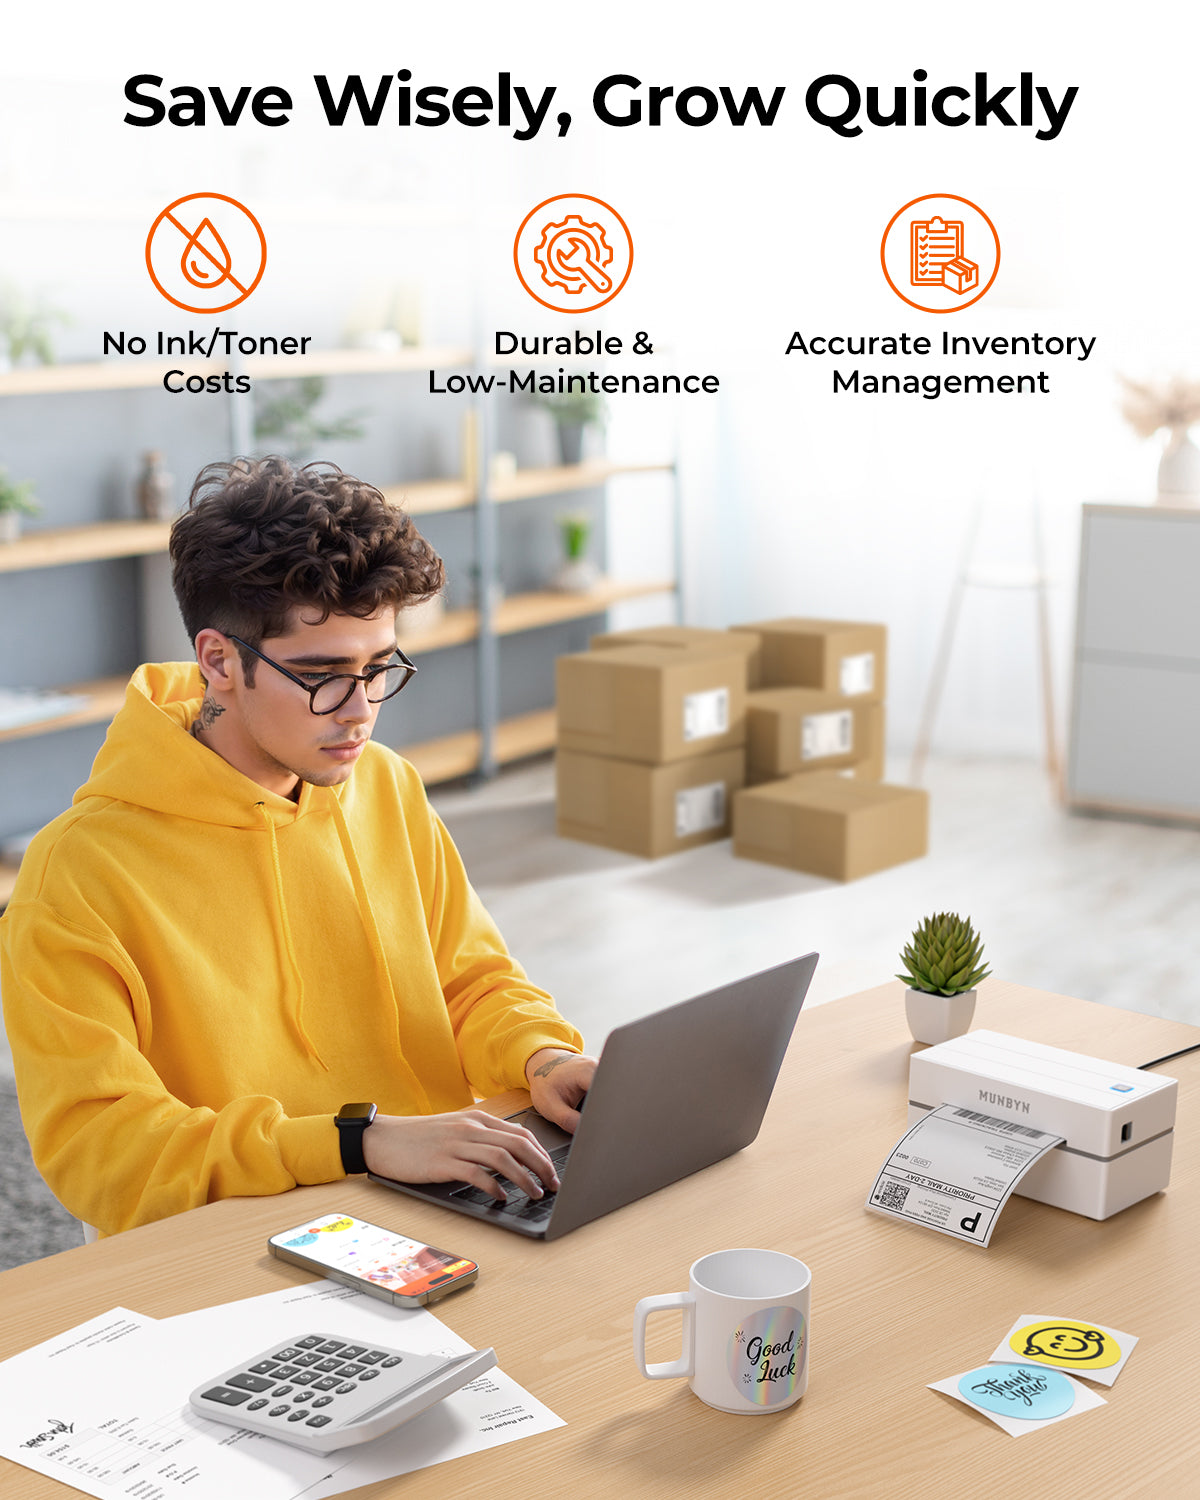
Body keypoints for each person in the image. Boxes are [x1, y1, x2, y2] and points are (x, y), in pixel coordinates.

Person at [0, 457, 596, 1236]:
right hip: (244, 1241)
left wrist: (542, 1058)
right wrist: (357, 1143)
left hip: (444, 1199)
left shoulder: (385, 786)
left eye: (378, 668)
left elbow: (471, 981)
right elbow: (103, 1151)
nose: (359, 711)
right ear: (219, 662)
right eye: (322, 674)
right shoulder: (76, 874)